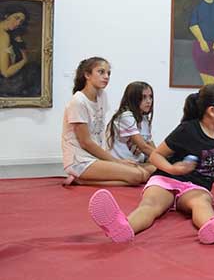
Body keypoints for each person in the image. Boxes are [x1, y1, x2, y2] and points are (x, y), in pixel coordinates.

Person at [87, 84, 214, 244]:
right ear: (212, 111)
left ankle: (213, 227)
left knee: (201, 203)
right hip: (167, 179)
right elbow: (155, 156)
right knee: (150, 205)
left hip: (196, 187)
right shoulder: (187, 130)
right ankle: (123, 227)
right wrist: (172, 168)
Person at [61, 57, 152, 186]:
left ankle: (86, 179)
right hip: (80, 160)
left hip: (96, 157)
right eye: (101, 72)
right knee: (138, 176)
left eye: (108, 73)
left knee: (146, 172)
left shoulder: (102, 96)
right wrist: (117, 162)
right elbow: (86, 142)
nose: (106, 76)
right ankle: (81, 180)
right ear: (87, 75)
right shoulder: (78, 101)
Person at [106, 82, 157, 172]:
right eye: (144, 97)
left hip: (136, 163)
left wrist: (164, 158)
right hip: (121, 163)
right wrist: (164, 161)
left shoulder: (144, 119)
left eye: (150, 97)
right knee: (156, 170)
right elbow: (143, 147)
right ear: (133, 99)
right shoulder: (125, 116)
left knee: (158, 168)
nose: (149, 101)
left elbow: (150, 145)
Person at [0, 3, 41, 97]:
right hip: (4, 83)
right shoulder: (4, 36)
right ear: (7, 16)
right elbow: (5, 72)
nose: (18, 23)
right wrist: (24, 60)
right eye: (16, 17)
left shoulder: (9, 34)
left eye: (21, 21)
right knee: (34, 69)